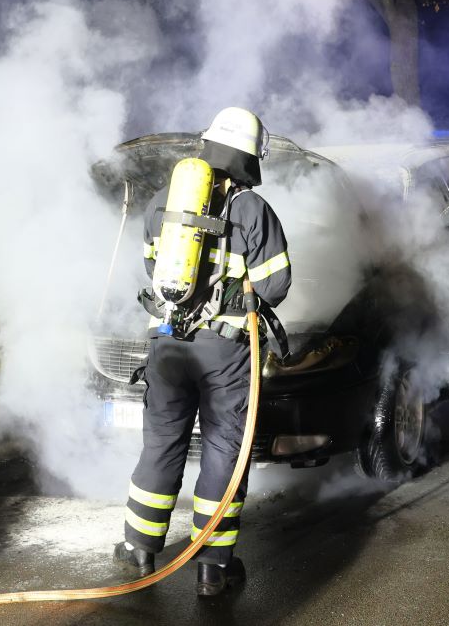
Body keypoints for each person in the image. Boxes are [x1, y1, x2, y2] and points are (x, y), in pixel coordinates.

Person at [113, 107, 292, 597]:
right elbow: (276, 284)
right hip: (224, 352)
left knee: (162, 443)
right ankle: (212, 568)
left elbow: (150, 274)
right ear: (250, 157)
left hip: (167, 347)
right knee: (221, 453)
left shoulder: (161, 201)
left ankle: (139, 550)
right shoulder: (253, 209)